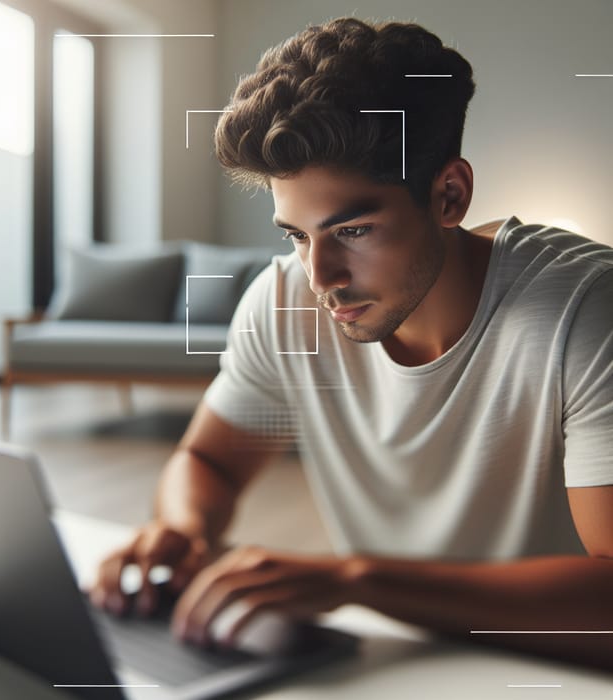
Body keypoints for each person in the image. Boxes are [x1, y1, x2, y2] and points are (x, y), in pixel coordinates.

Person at [91, 17, 613, 668]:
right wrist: (183, 530)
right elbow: (210, 463)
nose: (320, 277)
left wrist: (355, 578)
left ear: (449, 194)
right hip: (393, 660)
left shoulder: (588, 308)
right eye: (297, 235)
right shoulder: (284, 302)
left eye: (355, 231)